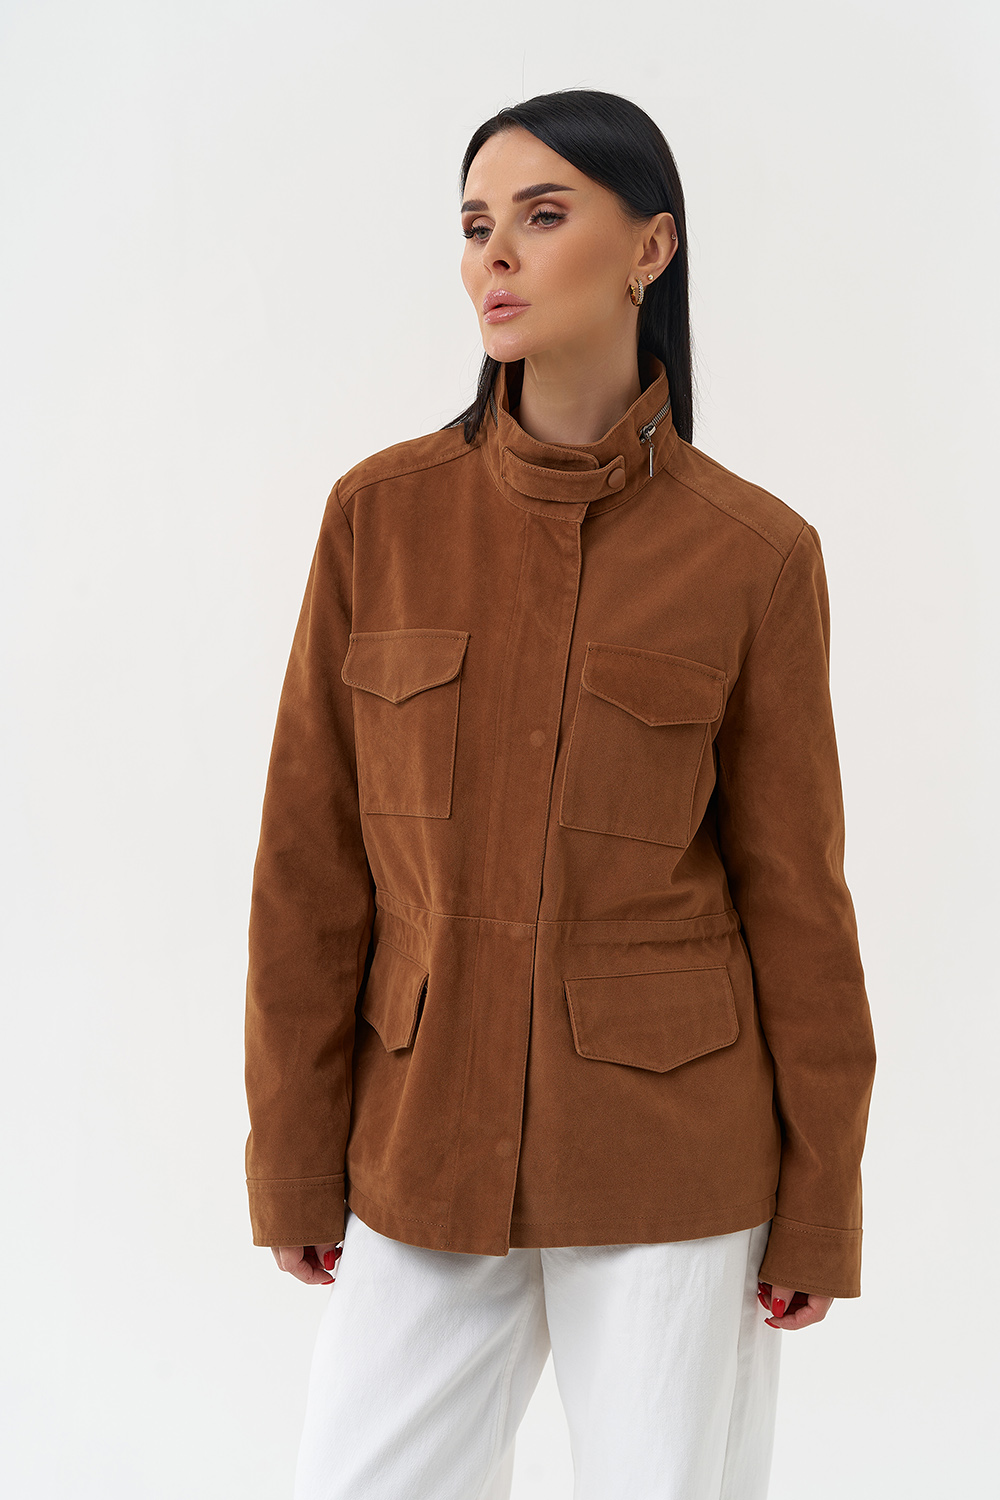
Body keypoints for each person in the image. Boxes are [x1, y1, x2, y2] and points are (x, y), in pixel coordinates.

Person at [243, 88, 878, 1500]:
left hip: (672, 1164)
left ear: (651, 249)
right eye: (476, 224)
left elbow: (797, 900)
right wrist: (292, 1151)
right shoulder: (379, 518)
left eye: (542, 215)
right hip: (421, 1146)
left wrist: (820, 1200)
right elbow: (308, 866)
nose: (496, 255)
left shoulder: (754, 555)